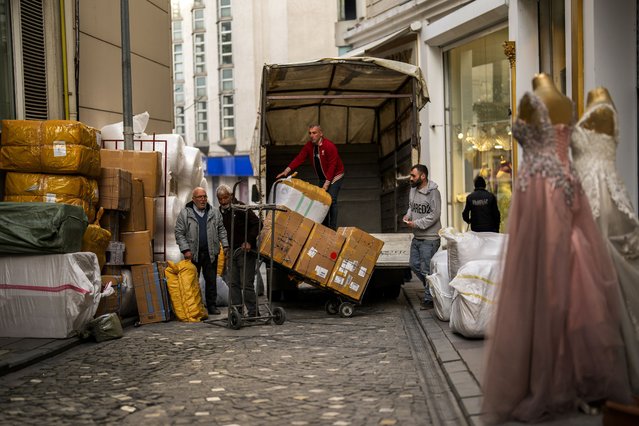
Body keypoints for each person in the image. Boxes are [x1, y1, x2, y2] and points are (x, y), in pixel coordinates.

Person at [481, 74, 632, 423]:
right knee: (569, 268)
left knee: (545, 275)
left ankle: (549, 375)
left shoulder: (532, 102)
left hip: (540, 189)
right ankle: (572, 371)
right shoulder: (564, 102)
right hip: (565, 182)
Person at [572, 86, 639, 395]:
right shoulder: (595, 112)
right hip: (586, 193)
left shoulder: (602, 111)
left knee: (604, 270)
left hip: (600, 194)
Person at [275, 124, 344, 229]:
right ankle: (324, 227)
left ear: (321, 134)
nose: (312, 135)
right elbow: (299, 158)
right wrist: (286, 170)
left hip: (335, 175)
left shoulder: (329, 146)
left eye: (314, 133)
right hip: (323, 177)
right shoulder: (309, 146)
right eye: (310, 133)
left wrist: (326, 184)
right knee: (322, 200)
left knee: (331, 199)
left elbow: (332, 166)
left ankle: (333, 228)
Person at [175, 187, 228, 316]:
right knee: (193, 282)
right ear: (193, 199)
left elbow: (221, 230)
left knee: (211, 281)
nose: (203, 199)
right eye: (200, 197)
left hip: (211, 252)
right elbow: (179, 233)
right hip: (192, 254)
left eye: (204, 196)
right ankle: (195, 307)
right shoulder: (185, 213)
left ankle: (211, 306)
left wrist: (225, 245)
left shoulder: (214, 212)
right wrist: (185, 250)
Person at [216, 184, 261, 318]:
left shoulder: (241, 208)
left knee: (246, 284)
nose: (223, 201)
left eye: (225, 198)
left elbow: (258, 224)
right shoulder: (220, 212)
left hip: (245, 251)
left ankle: (253, 312)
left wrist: (249, 241)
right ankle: (237, 312)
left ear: (231, 196)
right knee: (233, 283)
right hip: (231, 252)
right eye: (220, 199)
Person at [403, 164, 442, 310]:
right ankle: (432, 288)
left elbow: (435, 214)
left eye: (413, 175)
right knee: (414, 265)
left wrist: (417, 223)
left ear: (423, 176)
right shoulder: (413, 190)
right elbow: (411, 207)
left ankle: (429, 299)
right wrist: (408, 216)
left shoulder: (434, 193)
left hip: (430, 238)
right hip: (418, 236)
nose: (411, 178)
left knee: (426, 269)